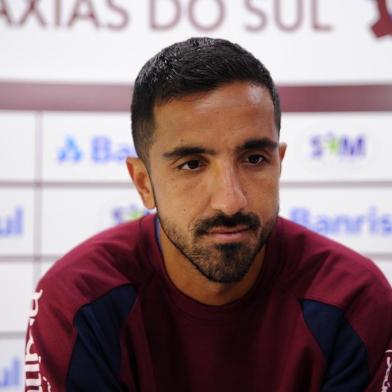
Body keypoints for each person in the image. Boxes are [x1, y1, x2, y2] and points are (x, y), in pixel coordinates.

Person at [25, 37, 391, 392]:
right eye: (192, 164)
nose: (230, 202)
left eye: (253, 159)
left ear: (278, 165)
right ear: (143, 183)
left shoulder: (353, 300)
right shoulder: (78, 302)